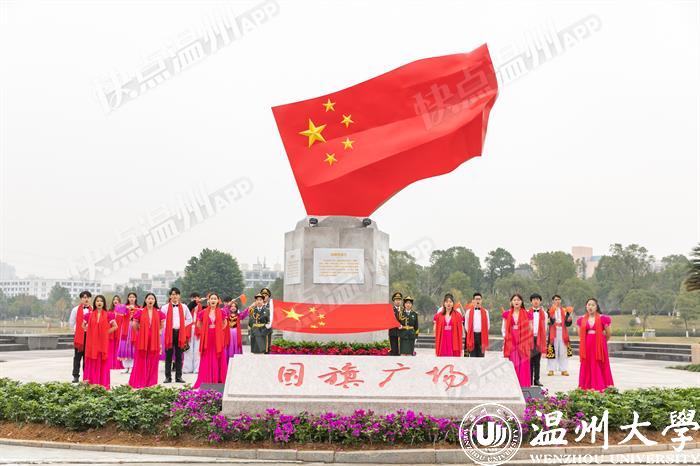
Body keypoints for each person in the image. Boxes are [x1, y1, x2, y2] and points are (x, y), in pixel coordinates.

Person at [129, 293, 165, 389]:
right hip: (142, 339)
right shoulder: (140, 312)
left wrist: (157, 332)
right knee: (140, 359)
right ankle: (139, 381)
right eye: (149, 298)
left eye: (152, 299)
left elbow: (162, 325)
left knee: (153, 360)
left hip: (154, 339)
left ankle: (151, 382)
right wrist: (140, 333)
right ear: (145, 300)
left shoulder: (159, 313)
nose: (150, 300)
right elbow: (134, 325)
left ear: (155, 301)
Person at [193, 293, 229, 388]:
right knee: (207, 357)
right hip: (207, 337)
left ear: (218, 301)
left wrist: (218, 330)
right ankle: (206, 379)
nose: (213, 300)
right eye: (211, 298)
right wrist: (205, 330)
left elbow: (225, 323)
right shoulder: (203, 312)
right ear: (208, 300)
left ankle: (218, 379)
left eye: (215, 299)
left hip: (218, 337)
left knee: (218, 356)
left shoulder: (222, 312)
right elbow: (198, 324)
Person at [577, 298, 614, 391]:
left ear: (596, 307)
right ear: (586, 306)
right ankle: (586, 386)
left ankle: (602, 386)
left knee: (599, 364)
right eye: (589, 305)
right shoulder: (581, 319)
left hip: (599, 346)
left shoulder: (603, 318)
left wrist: (602, 342)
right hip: (587, 345)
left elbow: (608, 333)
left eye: (593, 305)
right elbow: (580, 334)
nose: (590, 307)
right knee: (587, 364)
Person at [83, 295, 118, 389]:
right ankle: (91, 383)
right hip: (92, 343)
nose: (99, 302)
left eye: (101, 301)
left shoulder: (108, 315)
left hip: (103, 343)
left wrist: (105, 333)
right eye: (97, 301)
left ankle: (102, 384)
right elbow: (83, 325)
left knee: (102, 361)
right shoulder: (89, 315)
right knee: (92, 361)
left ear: (104, 303)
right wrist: (90, 332)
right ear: (95, 303)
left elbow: (115, 326)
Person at [161, 287, 193, 383]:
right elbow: (161, 320)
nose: (175, 296)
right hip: (169, 333)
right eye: (173, 294)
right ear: (170, 296)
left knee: (179, 355)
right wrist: (167, 326)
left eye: (176, 294)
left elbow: (189, 319)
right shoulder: (165, 307)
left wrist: (182, 325)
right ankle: (168, 377)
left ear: (179, 296)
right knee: (168, 356)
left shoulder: (184, 307)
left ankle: (179, 377)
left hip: (180, 333)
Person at [502, 293, 533, 388]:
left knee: (523, 362)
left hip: (523, 341)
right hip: (511, 341)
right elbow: (504, 328)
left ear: (521, 302)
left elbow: (530, 328)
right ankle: (512, 385)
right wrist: (506, 339)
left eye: (518, 300)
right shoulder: (507, 314)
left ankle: (523, 384)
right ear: (511, 302)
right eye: (514, 300)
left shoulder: (527, 314)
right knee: (513, 362)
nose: (516, 302)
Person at [69, 290, 93, 383]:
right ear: (81, 299)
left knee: (87, 358)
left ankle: (86, 376)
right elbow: (71, 323)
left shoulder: (93, 310)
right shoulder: (75, 310)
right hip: (79, 337)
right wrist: (77, 332)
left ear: (90, 299)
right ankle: (75, 376)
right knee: (77, 357)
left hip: (90, 336)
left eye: (88, 297)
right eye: (84, 297)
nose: (86, 299)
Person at [546, 295, 573, 376]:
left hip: (563, 332)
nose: (557, 301)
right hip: (553, 332)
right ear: (553, 301)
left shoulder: (565, 310)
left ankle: (563, 369)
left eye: (558, 299)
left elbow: (568, 323)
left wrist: (569, 319)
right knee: (552, 350)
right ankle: (551, 369)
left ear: (560, 301)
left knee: (563, 351)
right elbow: (548, 322)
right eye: (555, 299)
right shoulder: (549, 310)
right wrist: (551, 315)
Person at [116, 292, 139, 374]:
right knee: (124, 346)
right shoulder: (124, 307)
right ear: (128, 298)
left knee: (133, 347)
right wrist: (126, 307)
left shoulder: (139, 308)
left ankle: (132, 367)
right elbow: (117, 308)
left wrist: (135, 309)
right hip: (125, 328)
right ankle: (126, 367)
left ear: (135, 298)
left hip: (134, 329)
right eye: (130, 297)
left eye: (133, 297)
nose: (132, 298)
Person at [529, 293, 548, 387]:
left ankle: (536, 379)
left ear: (540, 301)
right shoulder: (527, 312)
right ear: (531, 301)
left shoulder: (544, 314)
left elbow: (545, 328)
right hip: (529, 339)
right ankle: (529, 379)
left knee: (537, 361)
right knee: (529, 360)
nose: (535, 301)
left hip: (539, 339)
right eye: (534, 299)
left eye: (537, 299)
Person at [464, 292, 489, 357]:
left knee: (481, 355)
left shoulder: (485, 312)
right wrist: (470, 333)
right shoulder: (468, 312)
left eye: (479, 299)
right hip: (472, 336)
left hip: (482, 336)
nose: (478, 301)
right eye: (476, 299)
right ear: (473, 301)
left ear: (481, 301)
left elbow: (488, 325)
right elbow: (466, 325)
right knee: (472, 355)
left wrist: (483, 332)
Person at [183, 292, 202, 374]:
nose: (195, 299)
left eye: (196, 297)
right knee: (188, 349)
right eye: (193, 298)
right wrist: (194, 302)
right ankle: (187, 368)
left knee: (197, 350)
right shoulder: (188, 307)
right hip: (189, 329)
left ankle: (197, 368)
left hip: (198, 329)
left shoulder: (202, 307)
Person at [108, 295, 124, 370]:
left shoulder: (122, 312)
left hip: (119, 332)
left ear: (119, 301)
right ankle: (110, 364)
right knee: (110, 348)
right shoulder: (109, 311)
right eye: (114, 299)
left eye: (117, 299)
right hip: (111, 332)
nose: (115, 300)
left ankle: (117, 364)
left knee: (118, 348)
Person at [388, 292, 403, 356]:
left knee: (401, 352)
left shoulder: (403, 310)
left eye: (399, 300)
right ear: (393, 301)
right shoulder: (390, 310)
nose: (398, 301)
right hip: (393, 332)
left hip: (402, 333)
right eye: (396, 300)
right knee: (394, 351)